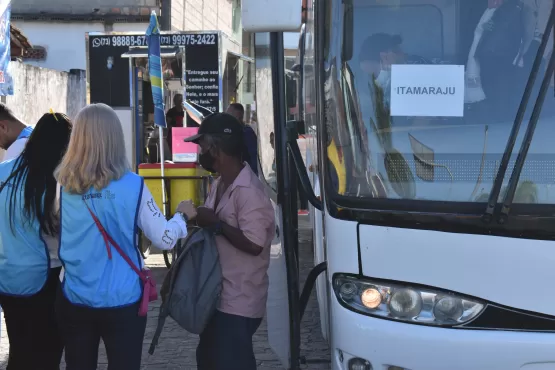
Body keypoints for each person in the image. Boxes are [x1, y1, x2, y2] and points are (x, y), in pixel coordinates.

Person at [54, 103, 197, 370]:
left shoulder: (62, 185)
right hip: (123, 299)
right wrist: (182, 217)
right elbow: (164, 239)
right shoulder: (134, 185)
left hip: (75, 296)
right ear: (115, 138)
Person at [184, 113, 275, 370]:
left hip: (238, 302)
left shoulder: (249, 192)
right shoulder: (221, 183)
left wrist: (216, 224)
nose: (200, 153)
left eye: (201, 147)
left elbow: (255, 244)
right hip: (217, 298)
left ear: (215, 147)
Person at [0, 111, 72, 370]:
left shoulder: (4, 172)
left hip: (7, 278)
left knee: (19, 351)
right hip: (45, 279)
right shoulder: (55, 180)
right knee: (46, 355)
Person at [226, 103, 259, 176]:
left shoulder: (247, 133)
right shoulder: (231, 133)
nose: (226, 118)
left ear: (237, 117)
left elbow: (254, 157)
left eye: (229, 115)